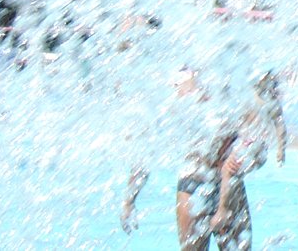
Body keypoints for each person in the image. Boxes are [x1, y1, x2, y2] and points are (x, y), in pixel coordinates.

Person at [121, 70, 286, 251]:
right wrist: (129, 200)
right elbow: (147, 148)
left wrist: (130, 200)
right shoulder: (182, 93)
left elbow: (147, 149)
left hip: (222, 183)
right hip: (199, 182)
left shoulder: (225, 82)